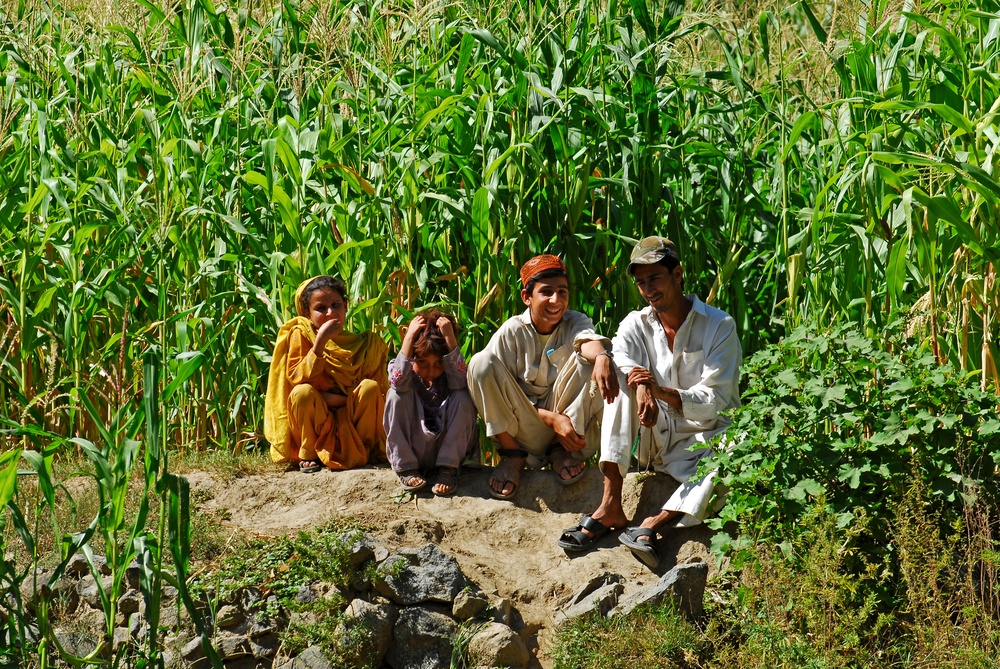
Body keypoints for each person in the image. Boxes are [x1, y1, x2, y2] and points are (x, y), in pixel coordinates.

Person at [557, 237, 742, 568]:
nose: (648, 290)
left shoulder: (720, 325)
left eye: (655, 278)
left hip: (702, 439)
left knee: (743, 445)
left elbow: (714, 401)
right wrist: (632, 378)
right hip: (651, 436)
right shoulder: (635, 323)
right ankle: (610, 504)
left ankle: (654, 523)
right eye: (641, 283)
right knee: (611, 367)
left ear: (678, 274)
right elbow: (621, 357)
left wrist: (657, 390)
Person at [467, 254, 619, 499]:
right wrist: (550, 419)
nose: (555, 300)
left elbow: (588, 343)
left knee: (593, 359)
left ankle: (560, 452)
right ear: (527, 297)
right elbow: (492, 387)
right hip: (522, 428)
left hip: (570, 432)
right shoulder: (512, 331)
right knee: (480, 363)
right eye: (546, 292)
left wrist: (602, 357)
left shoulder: (575, 321)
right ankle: (512, 455)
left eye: (562, 292)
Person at [264, 276, 389, 472]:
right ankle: (310, 453)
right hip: (318, 419)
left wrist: (338, 400)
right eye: (321, 308)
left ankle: (363, 451)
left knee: (369, 388)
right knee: (302, 393)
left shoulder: (365, 345)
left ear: (346, 306)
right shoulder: (302, 334)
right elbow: (297, 379)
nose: (330, 313)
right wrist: (320, 343)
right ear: (307, 313)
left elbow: (377, 393)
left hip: (352, 416)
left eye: (336, 305)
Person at [384, 309, 477, 496]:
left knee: (463, 397)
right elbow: (397, 382)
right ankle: (405, 467)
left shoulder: (452, 376)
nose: (431, 370)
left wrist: (450, 338)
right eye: (423, 362)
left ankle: (448, 469)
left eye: (438, 363)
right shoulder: (404, 371)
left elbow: (461, 381)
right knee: (395, 396)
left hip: (446, 451)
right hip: (415, 450)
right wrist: (409, 337)